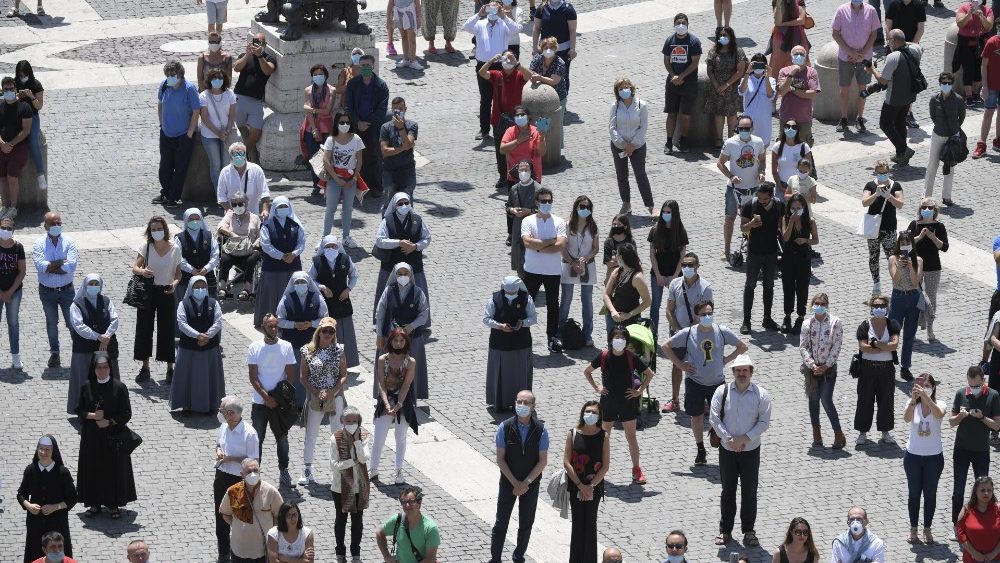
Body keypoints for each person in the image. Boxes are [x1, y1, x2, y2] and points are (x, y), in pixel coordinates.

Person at [665, 300, 748, 465]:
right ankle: (700, 449)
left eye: (710, 313)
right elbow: (666, 346)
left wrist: (726, 359)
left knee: (723, 416)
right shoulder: (689, 333)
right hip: (694, 382)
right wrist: (680, 365)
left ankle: (726, 448)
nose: (707, 316)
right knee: (696, 416)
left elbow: (742, 346)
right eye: (704, 314)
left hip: (717, 382)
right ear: (696, 316)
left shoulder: (721, 331)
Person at [710, 353, 771, 548]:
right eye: (738, 370)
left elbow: (764, 422)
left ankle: (749, 531)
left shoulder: (761, 395)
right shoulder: (722, 391)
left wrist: (743, 439)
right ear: (733, 372)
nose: (741, 374)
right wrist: (729, 439)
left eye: (745, 370)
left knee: (749, 491)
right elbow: (714, 418)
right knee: (727, 490)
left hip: (750, 449)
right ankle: (725, 530)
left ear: (751, 372)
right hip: (727, 449)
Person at [584, 326, 655, 484]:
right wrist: (597, 387)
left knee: (631, 437)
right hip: (608, 401)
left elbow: (649, 374)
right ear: (611, 339)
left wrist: (639, 391)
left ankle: (636, 469)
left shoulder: (631, 357)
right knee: (604, 437)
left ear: (626, 341)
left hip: (627, 402)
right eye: (616, 337)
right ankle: (598, 467)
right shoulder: (603, 356)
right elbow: (587, 371)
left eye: (622, 338)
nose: (619, 341)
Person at [75, 352, 137, 520]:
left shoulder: (119, 387)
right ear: (93, 369)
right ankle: (94, 503)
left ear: (110, 368)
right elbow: (79, 410)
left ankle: (113, 504)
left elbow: (126, 413)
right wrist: (92, 416)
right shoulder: (87, 386)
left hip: (112, 437)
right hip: (91, 438)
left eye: (105, 367)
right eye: (99, 368)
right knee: (93, 469)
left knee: (112, 471)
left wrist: (109, 422)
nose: (102, 371)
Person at [490, 390, 548, 563]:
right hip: (508, 482)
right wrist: (515, 483)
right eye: (519, 402)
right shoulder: (505, 427)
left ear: (533, 406)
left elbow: (542, 461)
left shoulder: (541, 430)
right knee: (501, 523)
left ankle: (518, 556)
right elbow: (500, 459)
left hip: (531, 484)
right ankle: (495, 559)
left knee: (526, 523)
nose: (521, 405)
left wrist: (526, 483)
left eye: (526, 403)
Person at [248, 314, 298, 486]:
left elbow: (290, 376)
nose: (274, 329)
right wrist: (266, 397)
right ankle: (254, 473)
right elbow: (253, 377)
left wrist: (277, 398)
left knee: (282, 438)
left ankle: (284, 471)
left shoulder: (286, 346)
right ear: (263, 328)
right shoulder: (254, 347)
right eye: (270, 326)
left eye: (276, 326)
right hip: (260, 403)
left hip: (280, 403)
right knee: (257, 439)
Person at [298, 316, 347, 485]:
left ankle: (338, 471)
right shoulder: (307, 350)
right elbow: (303, 377)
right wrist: (317, 392)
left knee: (337, 433)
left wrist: (332, 392)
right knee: (311, 433)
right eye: (324, 331)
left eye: (331, 332)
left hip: (335, 396)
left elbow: (343, 375)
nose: (327, 334)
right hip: (315, 396)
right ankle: (307, 470)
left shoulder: (339, 350)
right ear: (318, 332)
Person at [133, 216, 182, 383]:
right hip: (148, 290)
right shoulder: (145, 246)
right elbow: (135, 267)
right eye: (153, 229)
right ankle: (145, 367)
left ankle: (170, 368)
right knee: (144, 328)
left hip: (166, 291)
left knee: (167, 329)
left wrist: (174, 284)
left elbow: (178, 274)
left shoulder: (175, 248)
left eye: (159, 229)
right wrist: (142, 272)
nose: (156, 232)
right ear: (149, 231)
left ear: (165, 230)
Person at [950, 366, 1000, 528]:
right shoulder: (960, 394)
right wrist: (961, 416)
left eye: (977, 386)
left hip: (981, 451)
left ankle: (983, 524)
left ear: (983, 380)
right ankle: (957, 525)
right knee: (958, 490)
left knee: (983, 490)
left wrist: (982, 417)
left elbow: (997, 425)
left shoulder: (993, 395)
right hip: (961, 449)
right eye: (971, 385)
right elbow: (951, 422)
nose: (973, 389)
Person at [373, 192, 433, 327]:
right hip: (391, 267)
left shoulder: (418, 220)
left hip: (414, 266)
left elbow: (427, 238)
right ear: (395, 205)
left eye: (406, 203)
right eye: (400, 203)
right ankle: (386, 323)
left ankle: (419, 324)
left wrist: (416, 246)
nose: (404, 205)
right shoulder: (387, 220)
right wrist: (399, 243)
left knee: (417, 294)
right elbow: (380, 241)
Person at [663, 252, 713, 413]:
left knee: (698, 367)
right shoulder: (675, 284)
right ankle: (675, 399)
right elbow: (669, 310)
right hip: (678, 332)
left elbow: (706, 313)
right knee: (677, 365)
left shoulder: (705, 288)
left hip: (698, 333)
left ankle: (701, 400)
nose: (686, 268)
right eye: (684, 265)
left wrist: (690, 330)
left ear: (697, 266)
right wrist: (677, 329)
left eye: (690, 265)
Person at [370, 328, 420, 485]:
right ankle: (373, 469)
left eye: (401, 341)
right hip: (386, 401)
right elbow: (381, 384)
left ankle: (399, 470)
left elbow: (406, 386)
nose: (398, 344)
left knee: (401, 437)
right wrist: (386, 404)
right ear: (390, 341)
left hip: (403, 402)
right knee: (379, 437)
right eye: (395, 340)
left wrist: (398, 405)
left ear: (406, 342)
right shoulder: (382, 359)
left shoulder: (410, 362)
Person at [867, 29, 923, 167]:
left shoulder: (893, 57)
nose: (888, 44)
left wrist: (872, 70)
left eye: (889, 41)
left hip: (894, 97)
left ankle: (904, 149)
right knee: (899, 122)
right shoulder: (915, 50)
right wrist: (901, 40)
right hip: (909, 94)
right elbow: (917, 45)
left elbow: (883, 80)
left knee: (885, 124)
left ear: (894, 41)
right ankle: (900, 155)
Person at [466, 2, 520, 141]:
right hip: (484, 65)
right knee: (485, 99)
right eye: (491, 7)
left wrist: (504, 16)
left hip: (500, 66)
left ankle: (504, 125)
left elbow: (516, 29)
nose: (493, 10)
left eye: (496, 8)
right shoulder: (480, 24)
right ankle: (484, 129)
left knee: (502, 97)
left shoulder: (504, 24)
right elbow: (467, 26)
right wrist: (479, 14)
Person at [520, 187, 566, 352]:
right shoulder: (528, 221)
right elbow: (527, 242)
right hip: (532, 270)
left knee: (553, 305)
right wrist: (550, 241)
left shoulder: (559, 222)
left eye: (549, 201)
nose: (547, 203)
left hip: (553, 271)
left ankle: (552, 337)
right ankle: (522, 334)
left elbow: (560, 245)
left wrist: (538, 246)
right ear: (537, 202)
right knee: (527, 303)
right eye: (543, 201)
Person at [171, 275, 225, 414]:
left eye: (203, 287)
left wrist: (207, 335)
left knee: (209, 378)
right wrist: (197, 335)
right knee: (187, 377)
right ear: (191, 288)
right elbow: (182, 323)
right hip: (189, 348)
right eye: (197, 287)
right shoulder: (183, 304)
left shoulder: (214, 303)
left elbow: (218, 321)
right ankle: (187, 405)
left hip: (210, 348)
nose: (200, 289)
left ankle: (211, 404)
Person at [214, 396, 259, 563]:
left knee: (242, 517)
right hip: (221, 476)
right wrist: (219, 451)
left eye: (222, 411)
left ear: (231, 413)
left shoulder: (249, 433)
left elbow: (254, 461)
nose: (220, 413)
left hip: (239, 479)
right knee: (221, 514)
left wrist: (231, 459)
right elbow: (218, 444)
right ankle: (223, 553)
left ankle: (242, 553)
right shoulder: (223, 427)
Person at [375, 264, 430, 401]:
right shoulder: (388, 291)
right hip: (390, 338)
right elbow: (380, 314)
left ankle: (410, 399)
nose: (403, 276)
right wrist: (379, 335)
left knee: (410, 369)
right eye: (400, 273)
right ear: (395, 275)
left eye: (406, 273)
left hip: (412, 338)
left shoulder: (418, 292)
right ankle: (385, 399)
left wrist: (412, 326)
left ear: (411, 275)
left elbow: (424, 313)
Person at [18, 435, 76, 563]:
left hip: (57, 522)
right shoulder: (30, 470)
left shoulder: (62, 472)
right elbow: (21, 494)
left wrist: (55, 507)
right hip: (36, 522)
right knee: (34, 552)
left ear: (53, 451)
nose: (43, 452)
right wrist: (29, 505)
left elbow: (73, 498)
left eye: (47, 449)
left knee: (57, 553)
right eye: (41, 449)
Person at [67, 274, 120, 415]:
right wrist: (98, 337)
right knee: (83, 379)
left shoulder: (107, 301)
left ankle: (111, 410)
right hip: (84, 348)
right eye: (91, 283)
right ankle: (83, 411)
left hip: (106, 346)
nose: (94, 286)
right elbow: (79, 326)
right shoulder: (76, 305)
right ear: (85, 285)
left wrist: (106, 336)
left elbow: (114, 319)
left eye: (97, 284)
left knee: (108, 378)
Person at [564, 401, 610, 563]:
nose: (590, 414)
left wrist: (589, 487)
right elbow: (567, 462)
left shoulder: (603, 436)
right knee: (577, 523)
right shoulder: (573, 434)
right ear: (583, 413)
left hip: (594, 487)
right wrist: (580, 486)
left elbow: (605, 465)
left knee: (590, 523)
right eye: (588, 411)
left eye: (594, 412)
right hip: (575, 485)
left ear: (599, 416)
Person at [799, 293, 845, 448]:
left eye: (822, 303)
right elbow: (803, 347)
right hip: (812, 369)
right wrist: (812, 365)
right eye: (817, 303)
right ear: (812, 305)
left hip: (828, 368)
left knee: (826, 399)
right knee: (813, 400)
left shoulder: (835, 322)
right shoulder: (807, 324)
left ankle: (838, 434)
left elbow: (837, 346)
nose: (819, 306)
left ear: (827, 305)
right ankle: (816, 434)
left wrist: (826, 366)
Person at [903, 373, 945, 544]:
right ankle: (913, 528)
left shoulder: (939, 403)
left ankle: (927, 528)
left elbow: (939, 414)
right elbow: (906, 418)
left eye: (928, 386)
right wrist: (914, 400)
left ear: (933, 387)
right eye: (922, 385)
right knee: (914, 494)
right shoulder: (912, 403)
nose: (924, 388)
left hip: (934, 457)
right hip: (913, 456)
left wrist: (927, 398)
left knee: (930, 494)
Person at [718, 115, 766, 262]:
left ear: (752, 128)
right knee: (730, 218)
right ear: (737, 128)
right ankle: (726, 250)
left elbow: (762, 160)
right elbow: (720, 163)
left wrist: (762, 172)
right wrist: (731, 176)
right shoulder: (730, 143)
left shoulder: (758, 142)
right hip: (734, 189)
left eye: (747, 128)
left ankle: (751, 246)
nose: (744, 131)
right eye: (741, 128)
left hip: (753, 188)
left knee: (751, 219)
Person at [485, 276, 537, 411]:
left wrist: (523, 323)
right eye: (508, 292)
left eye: (513, 292)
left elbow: (533, 318)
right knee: (500, 373)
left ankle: (522, 403)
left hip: (521, 343)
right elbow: (486, 319)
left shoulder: (527, 299)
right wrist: (499, 326)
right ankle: (500, 402)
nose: (511, 294)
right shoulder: (494, 299)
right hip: (499, 343)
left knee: (520, 373)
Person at [33, 211, 78, 369]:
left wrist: (50, 266)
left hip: (67, 290)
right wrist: (60, 262)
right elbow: (40, 266)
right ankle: (55, 353)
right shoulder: (39, 243)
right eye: (53, 224)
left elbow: (71, 266)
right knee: (51, 323)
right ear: (45, 226)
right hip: (47, 291)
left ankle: (79, 353)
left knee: (72, 322)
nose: (56, 226)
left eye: (59, 223)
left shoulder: (70, 242)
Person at [854, 294, 901, 446]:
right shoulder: (864, 325)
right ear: (871, 308)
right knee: (864, 400)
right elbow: (863, 346)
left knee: (886, 400)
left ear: (887, 308)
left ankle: (885, 432)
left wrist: (874, 344)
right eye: (876, 306)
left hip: (886, 369)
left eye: (882, 306)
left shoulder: (892, 324)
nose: (879, 308)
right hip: (867, 368)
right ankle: (862, 433)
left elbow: (894, 345)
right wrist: (883, 346)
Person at [481, 51, 531, 190]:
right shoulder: (497, 75)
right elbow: (482, 72)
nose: (507, 61)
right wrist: (491, 61)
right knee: (500, 151)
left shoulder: (519, 74)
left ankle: (518, 175)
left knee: (519, 149)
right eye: (506, 58)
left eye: (510, 58)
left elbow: (530, 76)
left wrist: (517, 63)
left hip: (517, 120)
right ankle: (503, 176)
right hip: (499, 119)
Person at [277, 271, 328, 405]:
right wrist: (294, 324)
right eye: (297, 282)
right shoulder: (286, 299)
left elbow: (324, 318)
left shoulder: (317, 298)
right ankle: (296, 403)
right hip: (292, 344)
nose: (300, 284)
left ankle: (313, 402)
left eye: (303, 282)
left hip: (313, 344)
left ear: (308, 283)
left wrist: (311, 324)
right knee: (295, 374)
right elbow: (279, 320)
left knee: (313, 373)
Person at [309, 234, 360, 369]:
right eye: (328, 246)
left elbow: (354, 275)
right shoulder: (317, 261)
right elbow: (310, 279)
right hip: (325, 303)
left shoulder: (345, 259)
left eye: (333, 246)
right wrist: (322, 287)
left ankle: (346, 363)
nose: (331, 248)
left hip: (342, 302)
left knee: (344, 334)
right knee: (326, 332)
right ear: (323, 248)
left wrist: (348, 289)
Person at [153, 61, 200, 208]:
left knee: (180, 168)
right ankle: (166, 193)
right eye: (167, 75)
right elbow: (160, 103)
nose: (169, 78)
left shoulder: (189, 89)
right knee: (164, 167)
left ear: (180, 75)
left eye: (172, 75)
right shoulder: (164, 85)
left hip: (183, 135)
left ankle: (173, 197)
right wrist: (161, 124)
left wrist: (190, 133)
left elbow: (196, 111)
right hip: (166, 133)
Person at [739, 182, 784, 334]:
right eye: (759, 198)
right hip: (754, 252)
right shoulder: (750, 205)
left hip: (771, 252)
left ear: (771, 196)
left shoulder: (778, 205)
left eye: (765, 199)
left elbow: (783, 225)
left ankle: (767, 318)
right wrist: (751, 224)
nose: (761, 201)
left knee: (769, 285)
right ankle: (746, 321)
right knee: (750, 285)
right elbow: (742, 228)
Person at [219, 458, 283, 563]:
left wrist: (273, 535)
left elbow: (280, 516)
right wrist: (236, 525)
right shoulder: (233, 491)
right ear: (242, 474)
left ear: (260, 471)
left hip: (264, 550)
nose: (253, 474)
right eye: (249, 471)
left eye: (255, 470)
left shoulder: (271, 492)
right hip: (239, 550)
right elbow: (225, 513)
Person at [256, 197, 306, 328]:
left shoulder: (296, 224)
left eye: (285, 206)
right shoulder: (267, 225)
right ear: (274, 209)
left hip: (292, 265)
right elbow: (266, 245)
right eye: (280, 207)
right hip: (272, 267)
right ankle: (269, 323)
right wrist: (281, 256)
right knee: (271, 295)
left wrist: (294, 254)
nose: (283, 209)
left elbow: (301, 242)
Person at [344, 54, 389, 198]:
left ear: (373, 66)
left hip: (374, 127)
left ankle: (376, 187)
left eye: (368, 65)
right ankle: (360, 185)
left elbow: (382, 109)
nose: (365, 68)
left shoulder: (381, 86)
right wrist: (357, 122)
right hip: (356, 126)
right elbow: (348, 107)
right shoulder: (352, 84)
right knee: (357, 156)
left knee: (375, 156)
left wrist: (368, 123)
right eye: (362, 65)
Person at [831, 0, 880, 134]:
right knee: (844, 90)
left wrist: (862, 53)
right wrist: (850, 52)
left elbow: (874, 34)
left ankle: (860, 118)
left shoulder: (871, 11)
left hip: (865, 57)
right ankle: (844, 118)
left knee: (863, 89)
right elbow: (835, 33)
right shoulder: (841, 10)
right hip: (845, 57)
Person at [330, 406, 370, 562]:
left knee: (357, 521)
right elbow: (334, 464)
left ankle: (356, 554)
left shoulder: (364, 436)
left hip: (359, 486)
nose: (351, 423)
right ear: (342, 421)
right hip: (340, 487)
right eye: (348, 421)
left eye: (354, 421)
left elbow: (364, 458)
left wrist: (357, 442)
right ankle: (340, 552)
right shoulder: (335, 438)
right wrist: (352, 462)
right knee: (341, 520)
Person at [558, 195, 598, 348]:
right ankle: (560, 333)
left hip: (587, 266)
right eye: (582, 206)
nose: (585, 209)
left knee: (587, 301)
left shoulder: (593, 226)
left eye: (588, 207)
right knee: (566, 300)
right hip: (569, 265)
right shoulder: (567, 226)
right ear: (576, 207)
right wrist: (572, 262)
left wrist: (585, 258)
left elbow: (596, 248)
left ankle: (587, 334)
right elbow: (562, 248)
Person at [610, 78, 653, 216]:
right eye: (620, 88)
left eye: (626, 87)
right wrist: (623, 144)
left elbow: (643, 127)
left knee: (641, 175)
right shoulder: (615, 106)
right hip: (619, 146)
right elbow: (612, 128)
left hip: (637, 147)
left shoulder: (641, 105)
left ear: (631, 88)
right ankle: (626, 203)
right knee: (621, 175)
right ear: (617, 92)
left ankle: (650, 206)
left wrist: (633, 144)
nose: (624, 90)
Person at [323, 110, 366, 244]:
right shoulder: (331, 140)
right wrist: (336, 179)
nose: (345, 125)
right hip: (334, 178)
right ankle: (325, 238)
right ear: (336, 123)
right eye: (342, 122)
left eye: (347, 122)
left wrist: (354, 178)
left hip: (350, 179)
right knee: (330, 209)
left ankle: (346, 237)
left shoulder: (356, 139)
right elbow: (326, 160)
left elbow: (359, 161)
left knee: (347, 209)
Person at [862, 161, 904, 298]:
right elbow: (864, 202)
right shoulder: (870, 185)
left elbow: (900, 204)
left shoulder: (895, 185)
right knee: (873, 256)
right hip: (873, 228)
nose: (882, 175)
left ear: (889, 172)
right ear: (875, 172)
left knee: (892, 257)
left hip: (889, 228)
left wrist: (889, 196)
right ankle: (876, 284)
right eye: (879, 173)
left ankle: (896, 283)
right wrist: (876, 194)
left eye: (884, 173)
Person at [662, 13, 702, 154]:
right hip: (672, 82)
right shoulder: (669, 40)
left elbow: (695, 62)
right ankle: (669, 142)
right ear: (674, 25)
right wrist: (674, 75)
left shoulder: (694, 41)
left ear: (687, 25)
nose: (681, 25)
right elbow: (666, 60)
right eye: (678, 23)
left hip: (689, 83)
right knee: (671, 113)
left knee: (685, 114)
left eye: (683, 23)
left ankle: (683, 140)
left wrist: (682, 76)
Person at [648, 200, 688, 341]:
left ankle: (674, 333)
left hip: (675, 274)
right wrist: (658, 274)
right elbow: (652, 255)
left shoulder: (680, 231)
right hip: (658, 273)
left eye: (668, 212)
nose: (665, 214)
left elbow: (682, 257)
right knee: (655, 305)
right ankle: (653, 335)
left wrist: (674, 276)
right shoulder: (655, 230)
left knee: (675, 306)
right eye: (663, 212)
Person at [233, 32, 275, 164]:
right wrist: (247, 54)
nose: (257, 44)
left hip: (256, 101)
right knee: (237, 128)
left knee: (257, 131)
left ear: (265, 44)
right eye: (255, 41)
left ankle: (240, 154)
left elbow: (268, 71)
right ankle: (245, 155)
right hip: (240, 97)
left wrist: (260, 56)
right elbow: (236, 68)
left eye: (260, 42)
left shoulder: (269, 58)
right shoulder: (245, 55)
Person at [779, 194, 818, 334]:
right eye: (793, 208)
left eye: (799, 208)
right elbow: (785, 238)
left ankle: (800, 316)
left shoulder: (810, 221)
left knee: (802, 288)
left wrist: (805, 240)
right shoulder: (786, 219)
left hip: (803, 257)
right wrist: (791, 222)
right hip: (788, 257)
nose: (796, 211)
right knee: (788, 287)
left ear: (804, 208)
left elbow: (816, 240)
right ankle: (787, 316)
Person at [888, 231, 923, 382]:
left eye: (907, 243)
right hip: (898, 297)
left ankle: (905, 367)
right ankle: (889, 363)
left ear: (912, 244)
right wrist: (900, 267)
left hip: (913, 298)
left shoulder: (918, 260)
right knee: (893, 332)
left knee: (909, 334)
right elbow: (896, 280)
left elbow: (915, 282)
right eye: (902, 244)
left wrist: (910, 267)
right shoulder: (893, 259)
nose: (905, 246)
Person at [925, 73, 966, 204]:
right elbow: (933, 116)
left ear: (952, 84)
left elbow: (961, 117)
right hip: (937, 135)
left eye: (949, 83)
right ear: (940, 84)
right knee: (932, 165)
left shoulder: (958, 100)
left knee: (950, 166)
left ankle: (946, 196)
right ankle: (927, 196)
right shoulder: (934, 99)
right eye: (944, 83)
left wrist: (953, 129)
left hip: (952, 137)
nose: (946, 85)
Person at [705, 27, 748, 149]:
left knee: (732, 115)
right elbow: (710, 70)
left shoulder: (738, 51)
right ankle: (719, 140)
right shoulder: (714, 51)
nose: (723, 37)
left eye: (725, 35)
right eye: (721, 35)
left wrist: (726, 85)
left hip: (732, 88)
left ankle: (731, 139)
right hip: (717, 88)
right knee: (718, 114)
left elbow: (740, 71)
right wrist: (717, 86)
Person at [375, 486, 440, 563]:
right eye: (404, 502)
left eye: (411, 502)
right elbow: (379, 532)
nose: (407, 505)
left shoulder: (430, 528)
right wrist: (387, 557)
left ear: (419, 503)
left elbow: (430, 559)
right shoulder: (397, 520)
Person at [216, 192, 262, 301]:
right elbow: (220, 227)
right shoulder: (230, 215)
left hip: (249, 251)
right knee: (224, 258)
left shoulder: (254, 218)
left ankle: (246, 289)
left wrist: (254, 245)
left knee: (252, 258)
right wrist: (231, 234)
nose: (237, 206)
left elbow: (261, 235)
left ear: (247, 203)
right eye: (234, 204)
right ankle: (223, 288)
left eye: (240, 204)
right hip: (233, 250)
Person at [198, 68, 237, 193]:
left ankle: (227, 191)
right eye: (214, 78)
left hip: (226, 134)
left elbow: (232, 115)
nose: (217, 81)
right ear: (209, 80)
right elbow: (204, 118)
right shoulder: (203, 96)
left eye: (220, 78)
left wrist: (227, 131)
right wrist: (218, 133)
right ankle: (219, 194)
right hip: (210, 135)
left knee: (226, 165)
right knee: (215, 165)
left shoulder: (230, 94)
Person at [530, 0, 577, 98]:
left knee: (563, 77)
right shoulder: (542, 8)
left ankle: (562, 100)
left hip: (563, 52)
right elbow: (536, 29)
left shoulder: (568, 8)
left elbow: (572, 30)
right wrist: (535, 48)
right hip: (544, 51)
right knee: (543, 75)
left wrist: (572, 49)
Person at [0, 75, 31, 219]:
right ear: (2, 90)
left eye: (11, 88)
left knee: (12, 177)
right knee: (1, 178)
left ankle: (13, 207)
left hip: (18, 147)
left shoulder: (24, 107)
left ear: (15, 89)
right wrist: (2, 143)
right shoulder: (0, 107)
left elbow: (26, 130)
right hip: (2, 146)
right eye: (6, 89)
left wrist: (11, 144)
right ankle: (4, 206)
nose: (9, 91)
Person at [302, 64, 336, 197]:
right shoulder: (308, 90)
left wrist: (312, 109)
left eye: (320, 74)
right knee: (314, 156)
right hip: (311, 126)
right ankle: (316, 184)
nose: (318, 76)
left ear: (326, 75)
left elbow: (327, 111)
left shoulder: (331, 90)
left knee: (328, 156)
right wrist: (314, 129)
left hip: (327, 126)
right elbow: (308, 113)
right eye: (315, 74)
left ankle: (328, 184)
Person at [776, 45, 820, 146]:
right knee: (784, 147)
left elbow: (812, 94)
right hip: (786, 117)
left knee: (804, 148)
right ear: (791, 56)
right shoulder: (784, 71)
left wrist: (791, 89)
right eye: (796, 54)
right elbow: (782, 92)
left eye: (801, 54)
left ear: (805, 57)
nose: (799, 56)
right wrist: (791, 74)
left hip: (804, 119)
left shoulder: (811, 72)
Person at [176, 208, 220, 308]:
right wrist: (191, 270)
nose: (194, 221)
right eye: (191, 219)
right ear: (186, 220)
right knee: (186, 306)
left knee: (210, 306)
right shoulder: (179, 238)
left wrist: (206, 268)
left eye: (197, 219)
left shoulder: (209, 236)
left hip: (207, 276)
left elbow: (215, 254)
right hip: (186, 277)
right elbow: (178, 257)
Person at [13, 60, 45, 191]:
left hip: (32, 116)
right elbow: (7, 100)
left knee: (33, 142)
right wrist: (17, 96)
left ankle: (40, 174)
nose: (23, 77)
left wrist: (31, 96)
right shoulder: (14, 83)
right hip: (17, 117)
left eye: (24, 75)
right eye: (20, 75)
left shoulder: (36, 84)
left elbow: (39, 106)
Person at [955, 0, 994, 105]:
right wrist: (969, 15)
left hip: (981, 43)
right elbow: (960, 24)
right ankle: (968, 96)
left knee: (979, 68)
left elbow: (989, 27)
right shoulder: (964, 7)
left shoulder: (988, 10)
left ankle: (975, 93)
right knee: (968, 68)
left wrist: (981, 16)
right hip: (966, 43)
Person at [216, 141, 271, 216]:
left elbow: (264, 193)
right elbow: (221, 197)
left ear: (245, 154)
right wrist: (228, 210)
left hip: (252, 214)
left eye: (241, 153)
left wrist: (265, 210)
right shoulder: (224, 172)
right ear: (230, 156)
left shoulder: (256, 169)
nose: (239, 156)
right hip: (232, 214)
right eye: (235, 154)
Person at [380, 97, 419, 199]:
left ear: (405, 109)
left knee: (407, 202)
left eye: (400, 109)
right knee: (390, 201)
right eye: (395, 109)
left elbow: (409, 143)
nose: (398, 112)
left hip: (407, 170)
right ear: (392, 110)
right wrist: (404, 147)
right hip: (390, 171)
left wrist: (401, 128)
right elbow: (385, 151)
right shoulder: (385, 127)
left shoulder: (412, 125)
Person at [500, 105, 547, 189]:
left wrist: (542, 138)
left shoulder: (536, 131)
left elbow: (542, 152)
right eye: (517, 115)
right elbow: (502, 150)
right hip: (515, 176)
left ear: (528, 116)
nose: (520, 117)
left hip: (533, 175)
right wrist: (518, 141)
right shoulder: (510, 131)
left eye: (522, 114)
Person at [956, 476, 1000, 562]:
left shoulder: (998, 509)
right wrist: (974, 553)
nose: (986, 493)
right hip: (972, 559)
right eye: (982, 490)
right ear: (975, 492)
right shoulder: (966, 510)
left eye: (989, 490)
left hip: (996, 559)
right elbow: (961, 534)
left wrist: (993, 553)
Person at [0, 215, 24, 369]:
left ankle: (15, 356)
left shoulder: (18, 247)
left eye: (9, 228)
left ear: (13, 230)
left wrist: (9, 292)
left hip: (14, 292)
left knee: (13, 324)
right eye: (3, 227)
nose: (6, 230)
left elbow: (22, 271)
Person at [529, 36, 568, 126]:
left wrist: (540, 78)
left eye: (551, 48)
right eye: (546, 48)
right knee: (541, 125)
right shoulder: (537, 59)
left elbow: (554, 81)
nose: (548, 50)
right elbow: (531, 73)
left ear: (555, 49)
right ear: (542, 49)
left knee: (556, 125)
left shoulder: (560, 63)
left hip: (557, 98)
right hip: (540, 97)